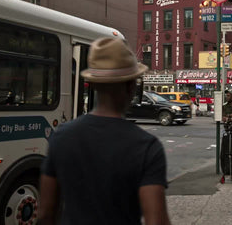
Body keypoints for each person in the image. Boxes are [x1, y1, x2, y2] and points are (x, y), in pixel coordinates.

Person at [39, 38, 171, 225]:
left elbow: (45, 214)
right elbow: (156, 221)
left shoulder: (61, 137)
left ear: (93, 85)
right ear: (131, 87)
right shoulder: (146, 147)